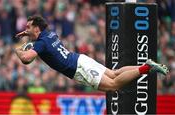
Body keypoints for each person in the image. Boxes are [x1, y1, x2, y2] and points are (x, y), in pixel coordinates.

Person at [15, 15, 169, 92]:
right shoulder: (49, 34)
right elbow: (41, 39)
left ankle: (146, 68)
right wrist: (29, 35)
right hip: (80, 59)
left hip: (78, 68)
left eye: (28, 27)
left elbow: (26, 59)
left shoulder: (41, 43)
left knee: (113, 85)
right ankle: (145, 66)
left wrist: (18, 49)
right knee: (114, 74)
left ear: (36, 28)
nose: (26, 29)